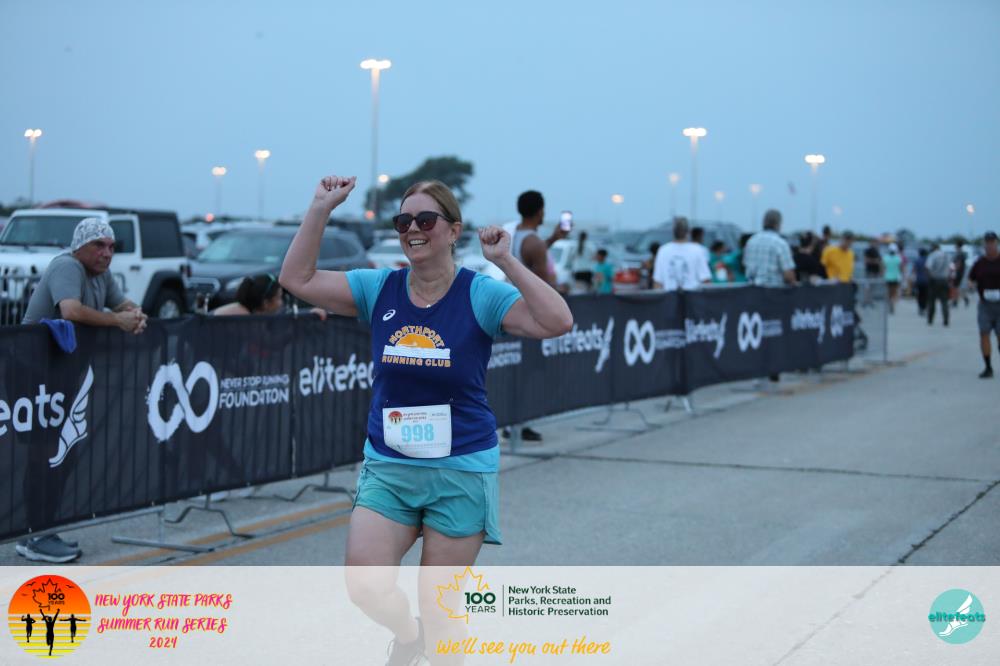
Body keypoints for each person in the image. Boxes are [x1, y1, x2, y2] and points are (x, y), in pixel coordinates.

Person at [279, 175, 572, 665]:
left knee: (441, 612)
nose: (413, 229)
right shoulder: (381, 288)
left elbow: (557, 321)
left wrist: (506, 261)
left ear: (453, 230)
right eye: (403, 221)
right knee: (365, 586)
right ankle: (407, 634)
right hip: (390, 467)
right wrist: (320, 208)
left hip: (460, 470)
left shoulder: (480, 294)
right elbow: (297, 279)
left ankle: (431, 638)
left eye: (426, 219)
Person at [18, 218, 148, 564]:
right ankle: (33, 536)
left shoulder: (101, 274)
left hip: (60, 372)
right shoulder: (68, 265)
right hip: (32, 371)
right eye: (99, 245)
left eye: (112, 246)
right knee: (44, 454)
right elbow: (71, 311)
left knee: (60, 453)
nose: (107, 253)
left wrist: (136, 315)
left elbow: (122, 304)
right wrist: (118, 321)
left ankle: (42, 529)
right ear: (80, 247)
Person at [505, 190, 567, 441]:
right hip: (532, 315)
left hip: (514, 309)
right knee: (530, 373)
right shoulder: (534, 243)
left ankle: (514, 422)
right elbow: (543, 286)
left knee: (517, 372)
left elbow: (526, 262)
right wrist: (560, 291)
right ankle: (521, 422)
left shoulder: (515, 236)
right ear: (540, 211)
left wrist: (552, 239)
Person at [212, 273, 328, 320]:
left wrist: (309, 313)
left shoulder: (252, 313)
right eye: (279, 297)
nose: (282, 303)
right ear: (266, 303)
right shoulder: (241, 316)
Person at [968, 231, 1000, 378]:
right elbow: (971, 277)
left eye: (992, 242)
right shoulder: (980, 262)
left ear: (997, 244)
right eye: (987, 242)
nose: (990, 245)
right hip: (985, 305)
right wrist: (971, 284)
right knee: (984, 334)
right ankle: (988, 367)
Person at [652, 217, 711, 291]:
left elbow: (657, 283)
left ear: (673, 231)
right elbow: (706, 280)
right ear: (688, 231)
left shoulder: (663, 251)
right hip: (693, 295)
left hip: (670, 296)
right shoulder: (697, 250)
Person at [743, 210, 797, 287]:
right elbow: (788, 276)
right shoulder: (781, 243)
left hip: (751, 290)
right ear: (778, 224)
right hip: (773, 290)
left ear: (763, 222)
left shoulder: (751, 241)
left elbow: (745, 265)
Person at [925, 243, 952, 326]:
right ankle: (946, 319)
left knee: (932, 301)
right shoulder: (946, 256)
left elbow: (927, 267)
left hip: (934, 280)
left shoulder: (932, 255)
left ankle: (930, 319)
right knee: (944, 301)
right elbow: (951, 268)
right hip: (944, 280)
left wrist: (930, 277)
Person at [882, 243, 902, 314]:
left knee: (888, 292)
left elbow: (883, 268)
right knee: (894, 292)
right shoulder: (898, 258)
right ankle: (892, 303)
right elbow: (900, 268)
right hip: (895, 277)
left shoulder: (885, 258)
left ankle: (889, 302)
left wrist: (882, 276)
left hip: (887, 277)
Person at [912, 248, 930, 315]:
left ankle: (920, 307)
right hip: (927, 280)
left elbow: (914, 270)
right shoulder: (928, 260)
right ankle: (924, 307)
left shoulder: (917, 260)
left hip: (919, 280)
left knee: (920, 294)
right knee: (926, 294)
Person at [952, 240, 970, 307]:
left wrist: (954, 270)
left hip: (958, 273)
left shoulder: (959, 253)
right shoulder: (961, 253)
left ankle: (956, 301)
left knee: (955, 287)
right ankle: (962, 299)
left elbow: (958, 263)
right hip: (960, 272)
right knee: (957, 287)